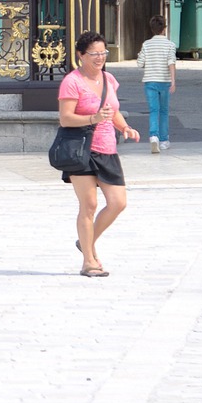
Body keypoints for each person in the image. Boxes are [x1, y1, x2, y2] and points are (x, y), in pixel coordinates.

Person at [58, 31, 140, 278]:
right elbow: (65, 118)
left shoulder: (109, 79)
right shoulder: (71, 82)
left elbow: (112, 110)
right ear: (81, 55)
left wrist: (124, 127)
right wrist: (92, 118)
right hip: (81, 150)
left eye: (103, 52)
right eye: (94, 53)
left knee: (118, 203)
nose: (99, 57)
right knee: (89, 204)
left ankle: (86, 241)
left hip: (107, 149)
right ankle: (88, 261)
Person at [138, 13, 178, 153]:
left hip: (150, 81)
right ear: (164, 28)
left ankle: (153, 136)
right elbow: (171, 63)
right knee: (164, 111)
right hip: (164, 81)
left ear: (152, 28)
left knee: (153, 110)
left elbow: (140, 63)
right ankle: (164, 140)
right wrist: (173, 81)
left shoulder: (146, 44)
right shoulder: (170, 45)